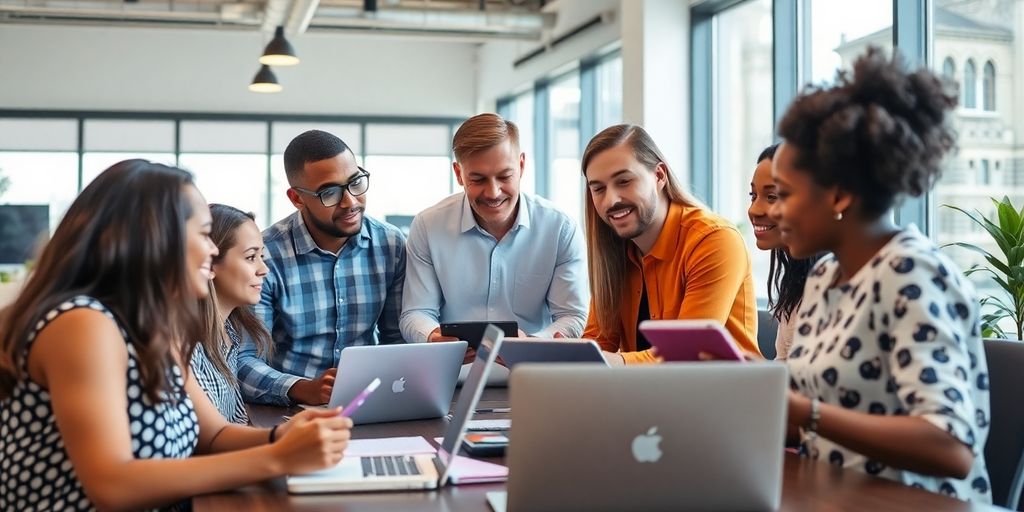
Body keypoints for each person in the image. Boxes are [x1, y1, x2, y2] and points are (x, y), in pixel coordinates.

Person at [0, 160, 351, 511]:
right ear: (156, 237)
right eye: (202, 234)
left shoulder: (152, 327)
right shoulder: (82, 323)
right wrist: (278, 457)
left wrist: (282, 436)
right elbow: (111, 485)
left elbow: (214, 434)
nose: (212, 251)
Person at [772, 47, 991, 502]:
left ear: (839, 195)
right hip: (835, 499)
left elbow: (951, 446)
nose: (771, 211)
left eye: (783, 194)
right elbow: (796, 400)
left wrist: (807, 413)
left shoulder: (911, 273)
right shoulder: (823, 276)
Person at [238, 130, 406, 406]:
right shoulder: (265, 254)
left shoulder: (390, 243)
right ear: (297, 198)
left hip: (371, 401)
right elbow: (244, 361)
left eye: (355, 182)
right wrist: (302, 389)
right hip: (291, 410)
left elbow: (397, 340)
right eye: (329, 192)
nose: (350, 201)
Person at [400, 113, 588, 345]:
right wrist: (432, 336)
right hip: (455, 374)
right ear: (459, 173)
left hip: (531, 372)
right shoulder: (428, 226)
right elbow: (415, 312)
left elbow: (573, 315)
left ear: (521, 165)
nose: (493, 193)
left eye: (504, 176)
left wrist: (532, 342)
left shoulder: (560, 229)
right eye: (478, 180)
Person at [581, 124, 760, 365]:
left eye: (623, 181)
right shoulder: (614, 253)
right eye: (598, 189)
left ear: (659, 176)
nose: (611, 200)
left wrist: (610, 362)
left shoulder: (714, 239)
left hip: (723, 397)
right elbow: (598, 344)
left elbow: (686, 355)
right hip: (647, 398)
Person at [190, 204, 273, 424]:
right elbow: (211, 439)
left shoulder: (229, 334)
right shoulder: (188, 344)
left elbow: (235, 422)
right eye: (250, 257)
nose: (263, 269)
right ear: (210, 262)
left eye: (261, 256)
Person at [747, 143, 816, 360]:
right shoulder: (794, 282)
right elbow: (786, 371)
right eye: (753, 196)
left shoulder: (831, 280)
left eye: (772, 197)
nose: (753, 210)